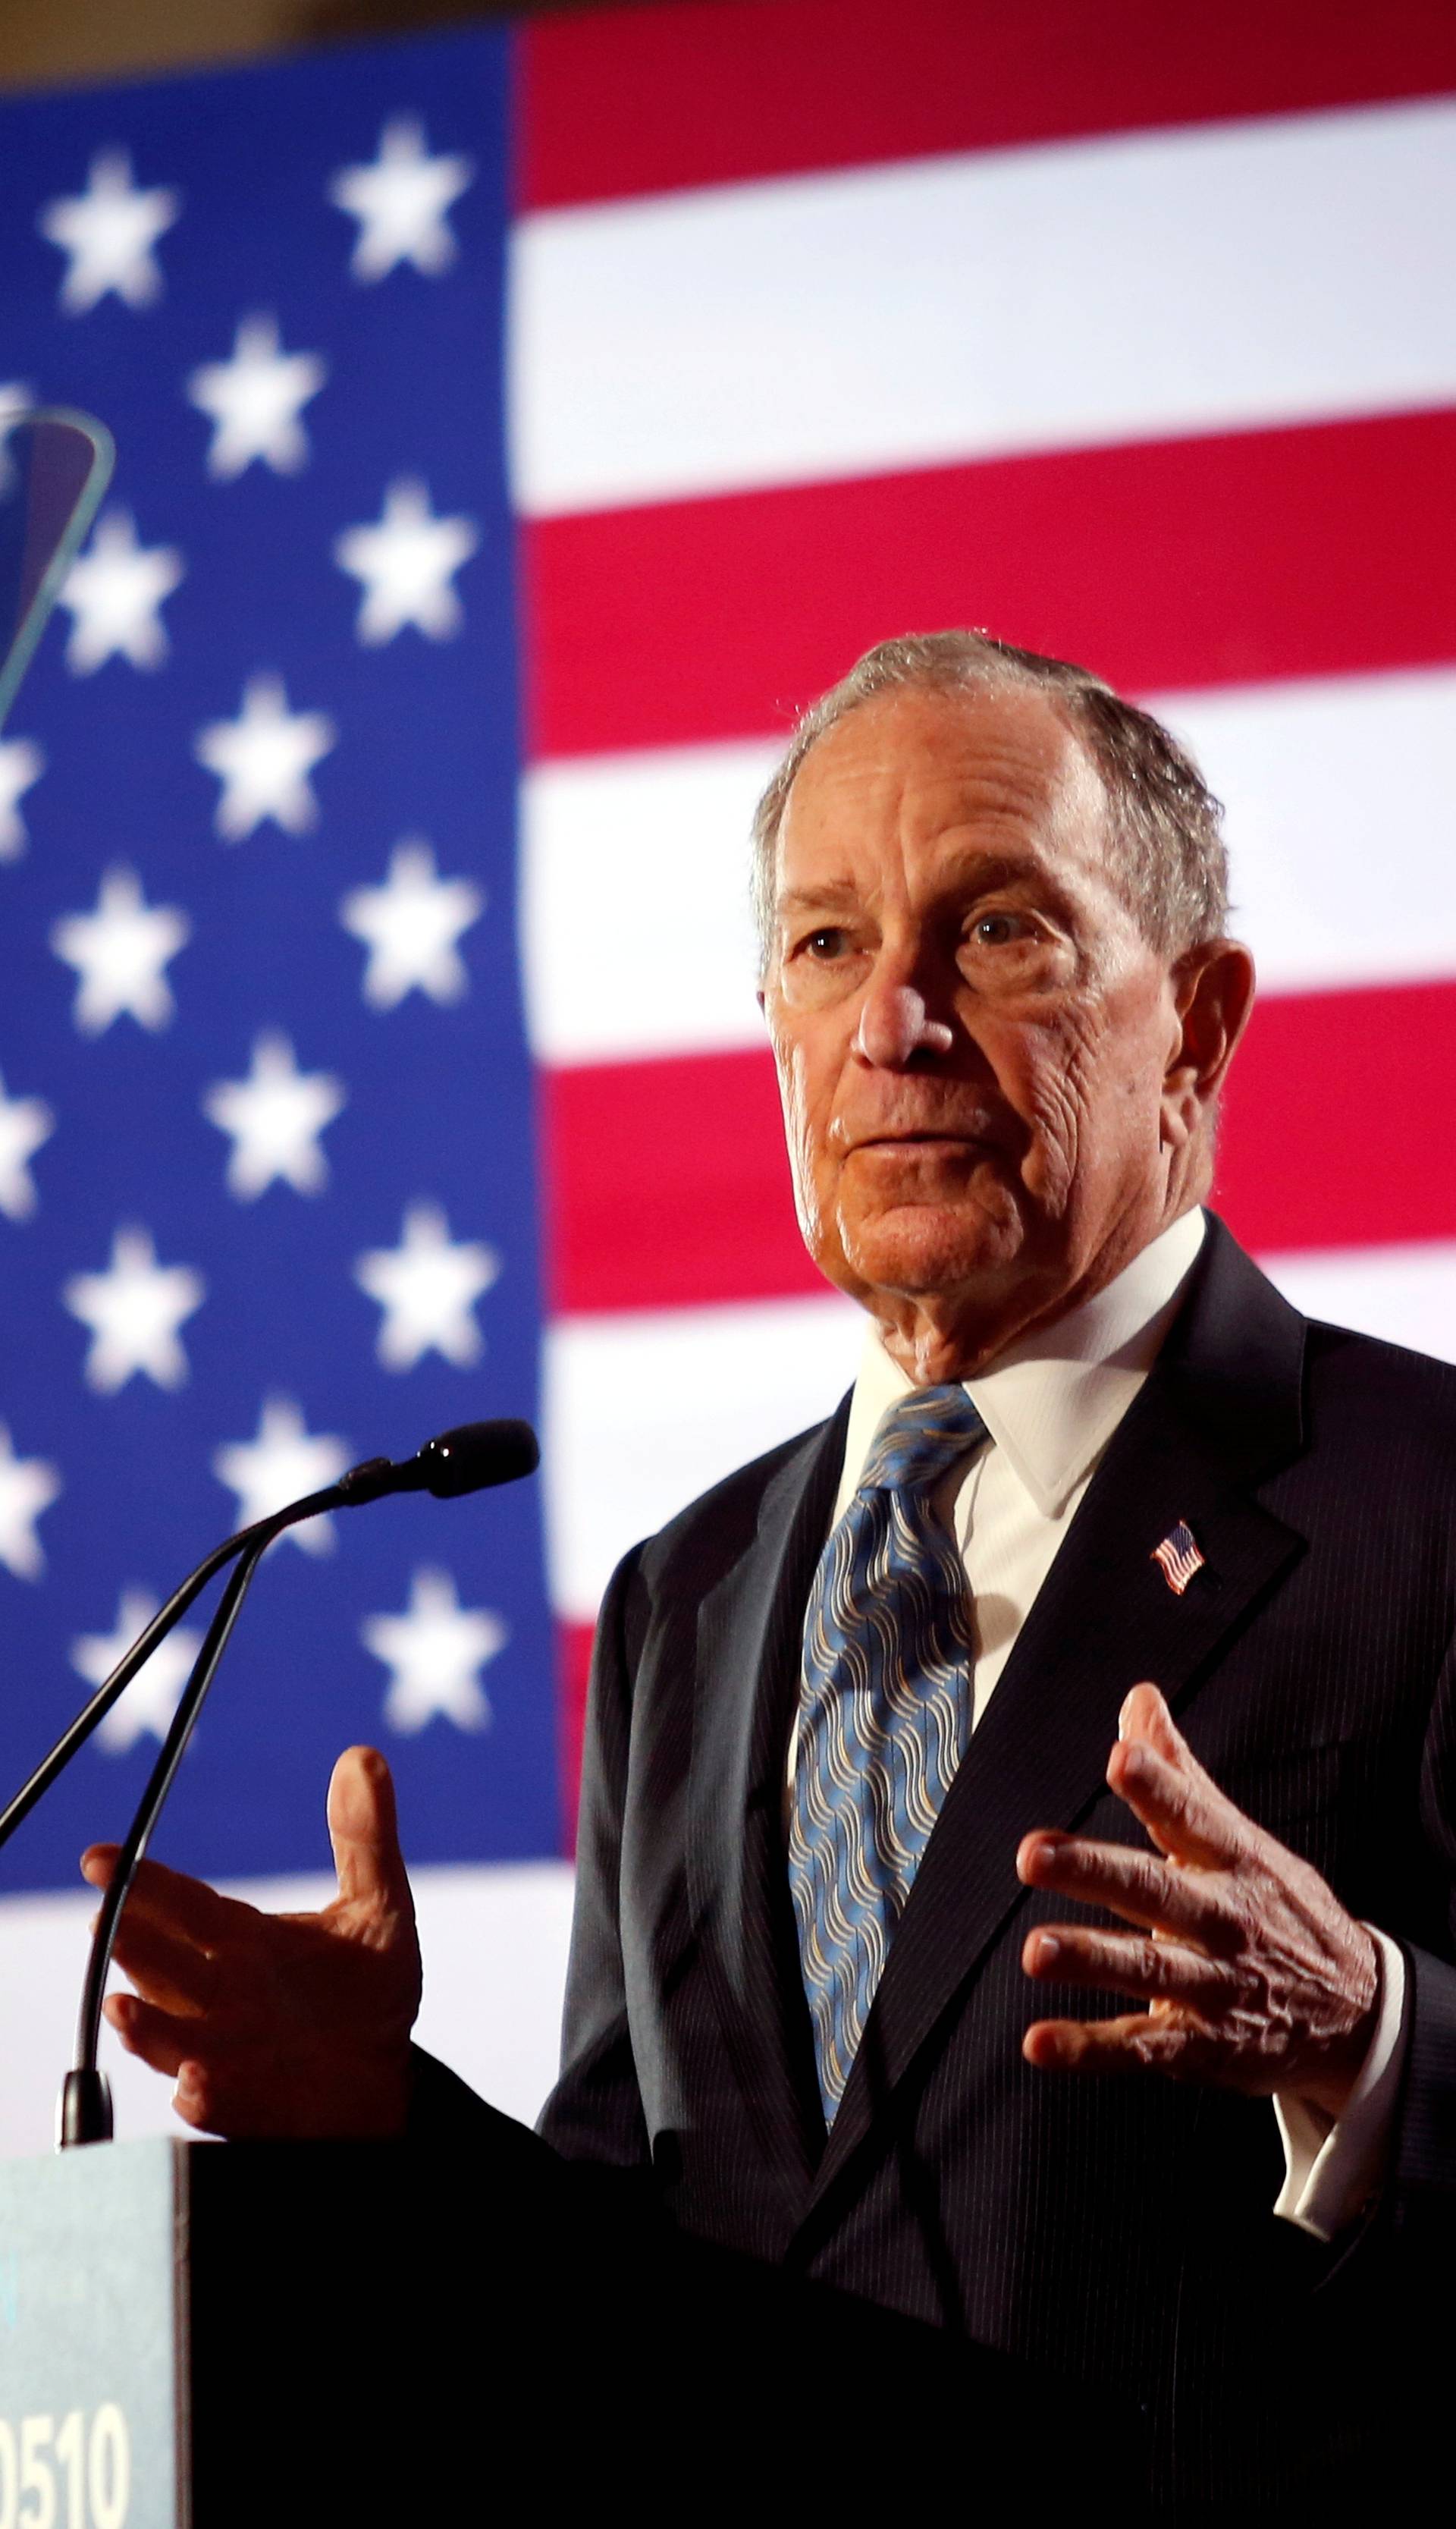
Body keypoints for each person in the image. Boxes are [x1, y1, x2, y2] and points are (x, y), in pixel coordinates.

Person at [86, 633, 1456, 2509]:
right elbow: (645, 2263)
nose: (893, 1020)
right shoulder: (692, 1592)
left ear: (1197, 1026)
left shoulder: (1422, 1498)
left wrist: (1370, 2034)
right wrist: (385, 2122)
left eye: (997, 931)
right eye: (826, 946)